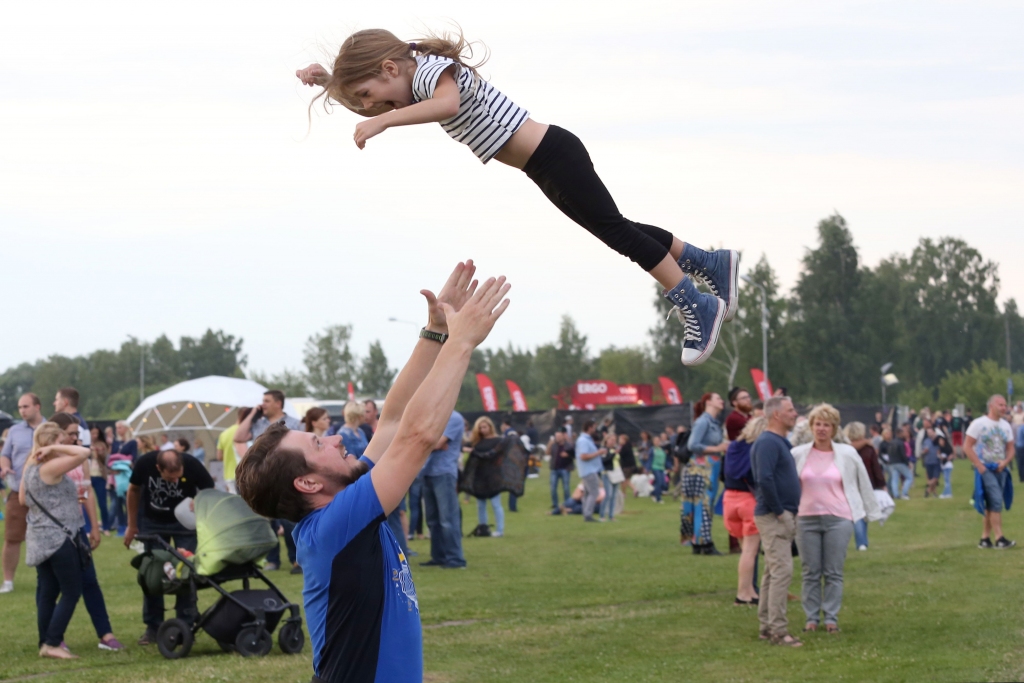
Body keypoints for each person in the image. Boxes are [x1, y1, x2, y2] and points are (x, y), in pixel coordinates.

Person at [297, 30, 740, 367]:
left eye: (370, 96)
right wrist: (332, 82)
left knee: (616, 232)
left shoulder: (432, 73)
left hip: (552, 154)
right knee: (617, 226)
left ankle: (695, 302)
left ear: (390, 69)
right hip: (543, 163)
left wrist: (384, 125)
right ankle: (708, 263)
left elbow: (448, 105)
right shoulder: (414, 81)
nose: (374, 110)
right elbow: (389, 101)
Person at [235, 262, 507, 682]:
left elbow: (395, 419)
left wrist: (436, 332)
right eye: (318, 444)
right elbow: (416, 436)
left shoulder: (346, 499)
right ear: (307, 483)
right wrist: (462, 344)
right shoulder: (335, 525)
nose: (336, 439)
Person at [793, 405, 881, 634]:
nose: (821, 429)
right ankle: (811, 618)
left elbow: (863, 481)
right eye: (818, 424)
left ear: (834, 428)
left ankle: (831, 618)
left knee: (833, 571)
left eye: (826, 425)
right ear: (811, 427)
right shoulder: (798, 454)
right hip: (806, 519)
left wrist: (871, 511)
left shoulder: (847, 453)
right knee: (810, 571)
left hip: (838, 518)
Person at [47, 413, 124, 652]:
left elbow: (86, 492)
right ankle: (51, 637)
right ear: (58, 434)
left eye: (76, 433)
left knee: (90, 581)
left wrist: (94, 526)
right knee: (50, 587)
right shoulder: (48, 458)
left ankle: (106, 634)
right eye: (70, 433)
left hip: (77, 527)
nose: (74, 437)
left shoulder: (79, 456)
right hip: (54, 531)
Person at [125, 447, 215, 645]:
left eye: (178, 477)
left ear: (182, 466)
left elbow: (209, 490)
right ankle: (153, 627)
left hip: (185, 523)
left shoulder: (192, 464)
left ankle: (186, 623)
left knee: (185, 571)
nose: (175, 481)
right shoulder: (145, 464)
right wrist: (132, 525)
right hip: (153, 522)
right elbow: (133, 490)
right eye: (169, 478)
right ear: (158, 468)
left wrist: (199, 500)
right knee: (153, 574)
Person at [19, 422, 91, 659]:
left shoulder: (31, 465)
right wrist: (53, 450)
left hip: (40, 537)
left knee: (48, 592)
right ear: (51, 443)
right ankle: (52, 642)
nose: (68, 444)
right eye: (62, 440)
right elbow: (85, 452)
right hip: (58, 537)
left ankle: (45, 642)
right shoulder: (50, 466)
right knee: (71, 591)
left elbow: (22, 499)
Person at [750, 396, 802, 647]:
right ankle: (779, 632)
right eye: (791, 410)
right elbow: (765, 479)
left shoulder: (777, 441)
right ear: (777, 416)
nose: (795, 413)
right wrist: (781, 512)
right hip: (774, 516)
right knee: (782, 571)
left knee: (772, 572)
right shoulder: (768, 442)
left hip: (779, 513)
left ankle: (766, 626)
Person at [1, 393, 45, 594]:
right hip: (18, 491)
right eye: (20, 407)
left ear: (37, 407)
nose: (22, 410)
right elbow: (5, 455)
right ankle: (8, 582)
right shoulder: (15, 431)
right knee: (12, 537)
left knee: (48, 537)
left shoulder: (50, 429)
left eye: (26, 406)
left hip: (46, 493)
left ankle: (49, 580)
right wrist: (5, 467)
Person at [724, 416, 766, 603]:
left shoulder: (733, 446)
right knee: (751, 551)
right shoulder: (758, 447)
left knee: (745, 550)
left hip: (729, 499)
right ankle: (743, 593)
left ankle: (749, 591)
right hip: (748, 501)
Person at [965, 395, 1015, 549]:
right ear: (991, 406)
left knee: (990, 504)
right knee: (996, 500)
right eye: (1000, 404)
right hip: (985, 468)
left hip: (1000, 468)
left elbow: (1010, 448)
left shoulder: (1005, 425)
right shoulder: (978, 424)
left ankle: (985, 539)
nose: (1004, 408)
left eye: (1005, 405)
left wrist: (1005, 462)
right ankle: (1000, 538)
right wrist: (979, 466)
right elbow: (967, 446)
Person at [419, 411, 467, 564]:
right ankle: (438, 556)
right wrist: (431, 443)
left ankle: (455, 558)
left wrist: (430, 443)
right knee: (433, 520)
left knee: (448, 519)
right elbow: (430, 442)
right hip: (427, 472)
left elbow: (438, 442)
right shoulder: (432, 417)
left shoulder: (453, 418)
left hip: (444, 473)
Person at [687, 392, 728, 554]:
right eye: (718, 398)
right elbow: (693, 444)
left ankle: (699, 542)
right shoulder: (703, 422)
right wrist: (717, 448)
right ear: (709, 402)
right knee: (703, 504)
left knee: (704, 504)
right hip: (703, 467)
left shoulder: (713, 422)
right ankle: (705, 543)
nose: (722, 401)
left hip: (711, 466)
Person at [844, 421, 886, 551]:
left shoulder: (843, 449)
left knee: (856, 513)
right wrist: (882, 484)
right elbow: (876, 468)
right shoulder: (868, 449)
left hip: (849, 484)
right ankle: (862, 542)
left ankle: (861, 542)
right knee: (863, 514)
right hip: (866, 484)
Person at [467, 417, 505, 537]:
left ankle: (500, 530)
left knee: (495, 503)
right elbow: (463, 446)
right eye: (480, 428)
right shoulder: (476, 441)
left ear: (490, 427)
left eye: (485, 427)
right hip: (480, 475)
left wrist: (473, 452)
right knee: (480, 504)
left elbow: (492, 455)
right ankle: (483, 528)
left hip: (493, 475)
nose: (483, 430)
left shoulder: (498, 440)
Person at [575, 419, 608, 521]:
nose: (595, 429)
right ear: (589, 427)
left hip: (589, 470)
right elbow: (583, 456)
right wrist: (598, 453)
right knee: (594, 493)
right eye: (594, 427)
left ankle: (586, 513)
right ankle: (588, 515)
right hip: (588, 470)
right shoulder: (583, 441)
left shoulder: (587, 439)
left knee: (588, 493)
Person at [216, 408, 250, 494]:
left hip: (229, 474)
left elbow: (219, 456)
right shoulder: (248, 432)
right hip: (246, 472)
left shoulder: (224, 433)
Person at [547, 429, 574, 514]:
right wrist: (550, 443)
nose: (557, 438)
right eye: (556, 436)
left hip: (565, 469)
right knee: (553, 487)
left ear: (563, 436)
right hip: (555, 469)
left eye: (559, 436)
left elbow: (574, 454)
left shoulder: (568, 445)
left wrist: (568, 455)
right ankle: (555, 504)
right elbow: (547, 453)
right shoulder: (554, 445)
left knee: (566, 487)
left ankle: (567, 504)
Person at [599, 433, 622, 522]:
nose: (613, 442)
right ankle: (602, 515)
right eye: (611, 440)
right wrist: (613, 454)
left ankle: (611, 516)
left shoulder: (614, 449)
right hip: (607, 473)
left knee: (614, 495)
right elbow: (604, 461)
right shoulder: (604, 450)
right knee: (608, 494)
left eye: (614, 440)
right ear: (606, 440)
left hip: (616, 472)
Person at [887, 425, 913, 500]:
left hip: (892, 463)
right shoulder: (901, 443)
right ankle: (904, 493)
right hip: (900, 462)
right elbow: (903, 454)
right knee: (909, 477)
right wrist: (907, 463)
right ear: (900, 433)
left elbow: (889, 453)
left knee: (894, 479)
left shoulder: (891, 442)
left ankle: (896, 495)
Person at [649, 436, 667, 504]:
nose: (657, 442)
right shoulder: (652, 449)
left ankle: (653, 493)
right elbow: (649, 459)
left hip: (662, 468)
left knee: (663, 483)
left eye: (658, 441)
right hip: (655, 467)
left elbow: (665, 459)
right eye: (655, 441)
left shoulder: (662, 449)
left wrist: (670, 466)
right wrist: (647, 468)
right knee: (659, 482)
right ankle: (658, 498)